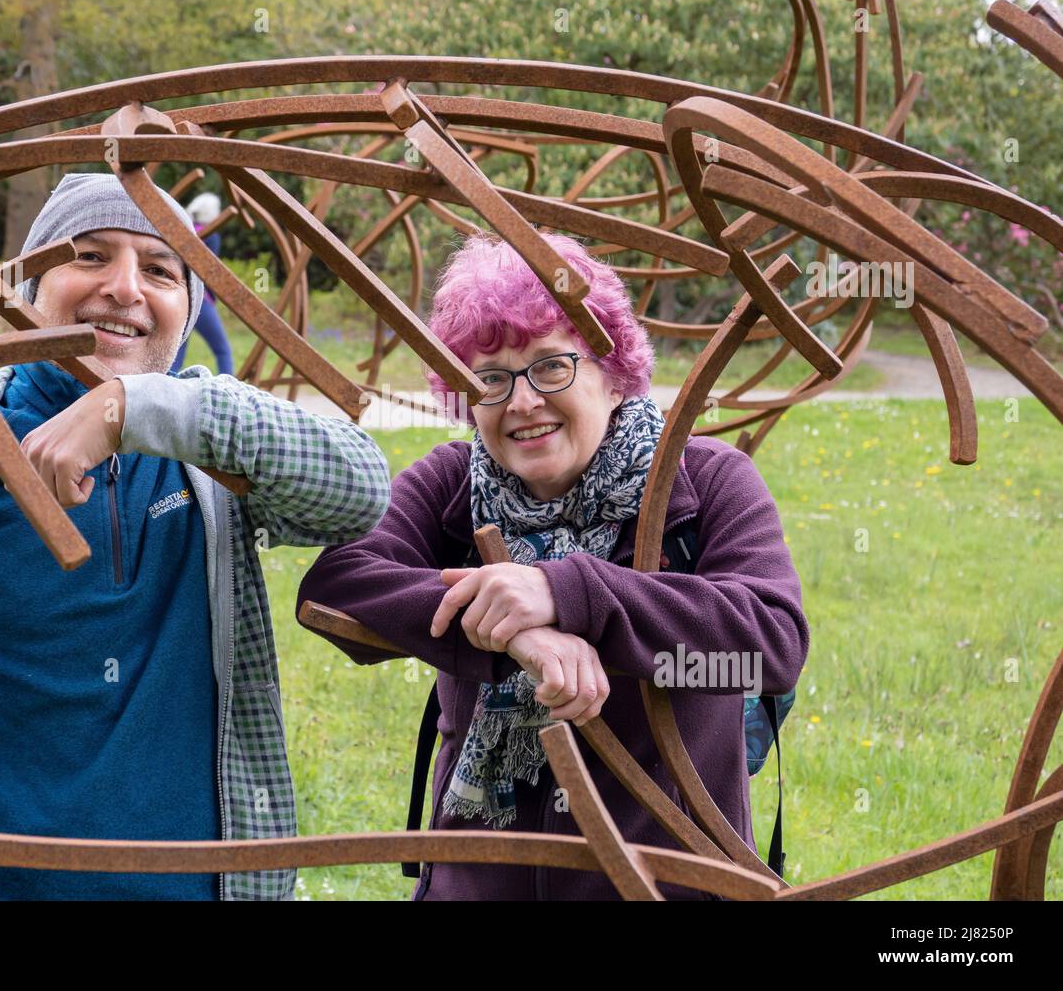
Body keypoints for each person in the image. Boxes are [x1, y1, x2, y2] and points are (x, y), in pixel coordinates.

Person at [0, 171, 390, 900]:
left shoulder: (216, 468)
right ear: (26, 292)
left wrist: (140, 407)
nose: (125, 288)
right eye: (89, 256)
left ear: (188, 310)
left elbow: (360, 487)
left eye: (160, 270)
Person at [297, 231, 810, 901]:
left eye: (551, 366)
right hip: (473, 885)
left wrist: (570, 592)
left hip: (664, 885)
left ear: (612, 366)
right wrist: (513, 630)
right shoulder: (453, 484)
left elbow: (770, 644)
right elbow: (335, 584)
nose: (522, 402)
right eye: (491, 378)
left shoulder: (704, 481)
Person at [168, 192, 233, 376]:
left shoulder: (186, 230)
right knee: (222, 349)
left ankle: (165, 389)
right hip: (201, 300)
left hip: (180, 296)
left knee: (176, 351)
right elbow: (210, 271)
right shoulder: (211, 235)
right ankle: (230, 390)